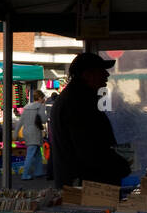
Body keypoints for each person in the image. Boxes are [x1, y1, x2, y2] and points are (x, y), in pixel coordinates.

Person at [48, 53, 134, 189]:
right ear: (87, 74)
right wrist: (120, 165)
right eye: (101, 70)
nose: (107, 75)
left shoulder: (76, 98)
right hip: (87, 188)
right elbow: (90, 149)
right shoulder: (78, 103)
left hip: (82, 184)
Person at [17, 90, 47, 179]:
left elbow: (20, 121)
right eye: (43, 98)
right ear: (40, 98)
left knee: (37, 153)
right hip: (35, 133)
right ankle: (25, 174)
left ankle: (39, 171)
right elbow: (44, 120)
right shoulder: (40, 107)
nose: (44, 100)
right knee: (30, 154)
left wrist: (16, 133)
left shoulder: (27, 107)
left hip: (27, 132)